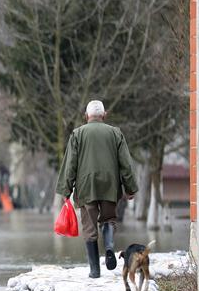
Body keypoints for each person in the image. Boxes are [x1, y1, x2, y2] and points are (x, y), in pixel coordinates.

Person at [56, 100, 138, 278]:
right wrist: (130, 187)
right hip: (110, 185)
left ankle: (94, 270)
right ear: (104, 115)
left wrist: (66, 190)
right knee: (108, 219)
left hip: (86, 186)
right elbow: (126, 163)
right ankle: (109, 247)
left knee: (89, 227)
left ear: (86, 117)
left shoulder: (77, 134)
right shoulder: (116, 133)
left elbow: (71, 164)